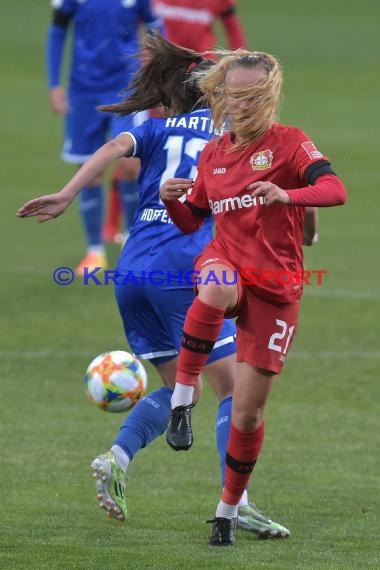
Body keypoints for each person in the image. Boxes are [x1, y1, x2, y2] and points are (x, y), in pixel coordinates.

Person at [18, 33, 289, 539]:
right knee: (232, 389)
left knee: (175, 386)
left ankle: (117, 457)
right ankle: (240, 502)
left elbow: (112, 148)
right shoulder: (228, 133)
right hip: (187, 268)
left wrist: (66, 194)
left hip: (133, 268)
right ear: (211, 93)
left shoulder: (155, 129)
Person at [160, 49, 347, 546]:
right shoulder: (214, 153)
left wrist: (290, 195)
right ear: (218, 95)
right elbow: (195, 218)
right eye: (230, 95)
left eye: (249, 96)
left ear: (268, 97)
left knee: (247, 414)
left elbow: (334, 188)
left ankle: (226, 512)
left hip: (277, 289)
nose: (238, 105)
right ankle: (181, 403)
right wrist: (170, 200)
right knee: (217, 284)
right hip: (226, 265)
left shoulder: (289, 143)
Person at [102, 0, 247, 242]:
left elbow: (233, 28)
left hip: (203, 81)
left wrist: (241, 70)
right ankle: (112, 223)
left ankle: (202, 219)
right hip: (163, 80)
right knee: (141, 148)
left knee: (206, 152)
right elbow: (132, 24)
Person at [46, 0, 164, 275]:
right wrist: (54, 85)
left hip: (127, 88)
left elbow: (156, 28)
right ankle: (94, 251)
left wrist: (160, 77)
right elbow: (57, 32)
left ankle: (132, 241)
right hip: (83, 90)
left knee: (131, 164)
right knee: (89, 170)